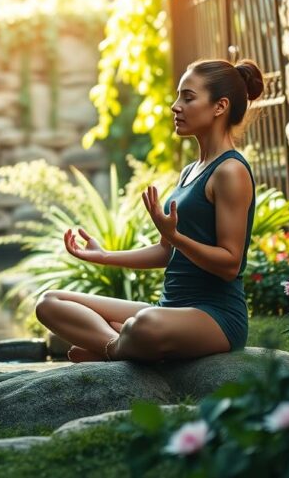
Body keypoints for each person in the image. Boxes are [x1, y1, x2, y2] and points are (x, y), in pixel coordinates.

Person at [35, 59, 263, 362]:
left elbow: (230, 264)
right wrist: (103, 256)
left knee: (144, 324)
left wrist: (176, 237)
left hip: (215, 317)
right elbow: (166, 252)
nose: (175, 106)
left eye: (188, 97)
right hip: (169, 309)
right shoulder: (190, 172)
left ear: (219, 106)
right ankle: (119, 343)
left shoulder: (230, 171)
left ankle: (114, 346)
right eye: (179, 96)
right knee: (49, 302)